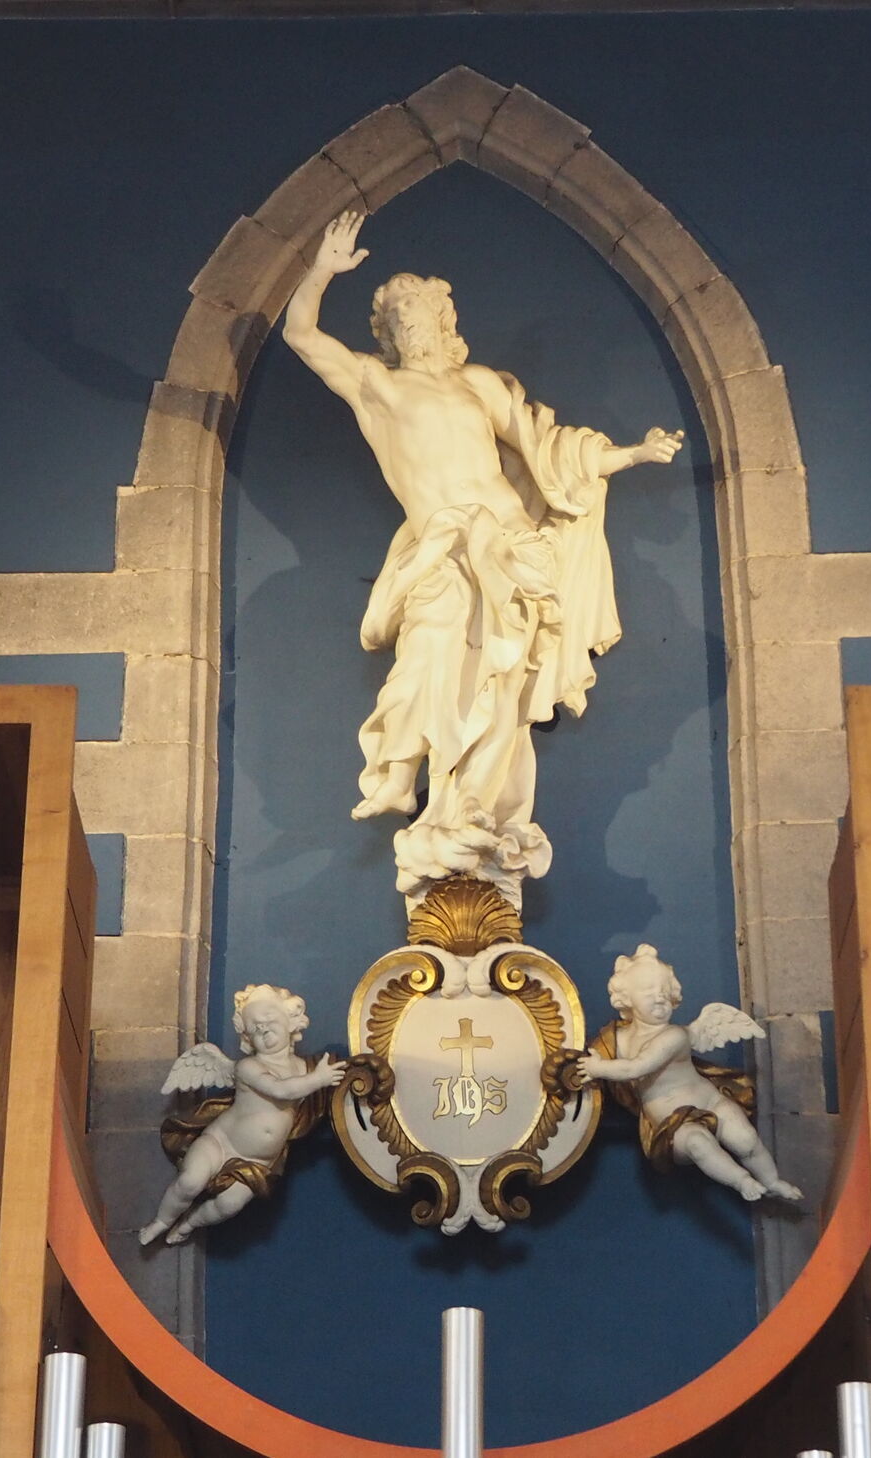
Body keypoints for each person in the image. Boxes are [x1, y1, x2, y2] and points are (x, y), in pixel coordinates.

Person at [283, 210, 685, 904]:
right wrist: (322, 270)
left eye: (421, 313)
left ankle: (474, 811)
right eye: (399, 318)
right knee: (430, 660)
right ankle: (419, 793)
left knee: (503, 689)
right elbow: (301, 335)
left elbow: (548, 451)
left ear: (444, 322)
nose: (412, 326)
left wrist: (632, 454)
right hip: (440, 551)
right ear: (386, 333)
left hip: (512, 546)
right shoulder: (377, 386)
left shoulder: (479, 385)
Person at [575, 945, 801, 1204]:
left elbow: (635, 1068)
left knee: (746, 1139)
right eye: (648, 991)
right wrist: (583, 1066)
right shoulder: (615, 1040)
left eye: (664, 991)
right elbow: (590, 1058)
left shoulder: (675, 1036)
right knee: (697, 1144)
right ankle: (742, 1181)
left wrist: (597, 1068)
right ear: (626, 998)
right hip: (672, 1124)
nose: (659, 997)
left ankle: (771, 1181)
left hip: (710, 1102)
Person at [140, 985, 342, 1246]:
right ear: (248, 1038)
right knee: (190, 1182)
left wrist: (324, 1077)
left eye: (269, 1019)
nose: (263, 1029)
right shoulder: (249, 1067)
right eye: (255, 1028)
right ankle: (162, 1221)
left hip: (258, 1162)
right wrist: (319, 1079)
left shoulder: (309, 1069)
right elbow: (280, 1089)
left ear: (291, 1020)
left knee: (229, 1205)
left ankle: (190, 1223)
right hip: (220, 1143)